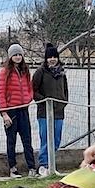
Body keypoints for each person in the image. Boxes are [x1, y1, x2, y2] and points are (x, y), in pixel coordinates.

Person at [0, 44, 38, 178]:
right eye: (15, 55)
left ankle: (32, 168)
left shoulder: (25, 71)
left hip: (23, 110)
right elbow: (1, 92)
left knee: (27, 140)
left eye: (19, 54)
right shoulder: (5, 72)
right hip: (11, 111)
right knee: (11, 141)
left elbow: (29, 87)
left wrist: (28, 98)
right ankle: (13, 169)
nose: (18, 57)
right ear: (10, 57)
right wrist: (4, 113)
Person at [31, 43, 68, 176]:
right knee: (46, 139)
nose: (52, 59)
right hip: (44, 113)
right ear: (46, 59)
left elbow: (65, 90)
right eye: (49, 57)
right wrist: (44, 101)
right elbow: (33, 90)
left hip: (59, 112)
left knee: (56, 140)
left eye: (54, 57)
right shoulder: (40, 72)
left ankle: (51, 165)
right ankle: (43, 165)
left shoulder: (62, 73)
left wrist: (63, 102)